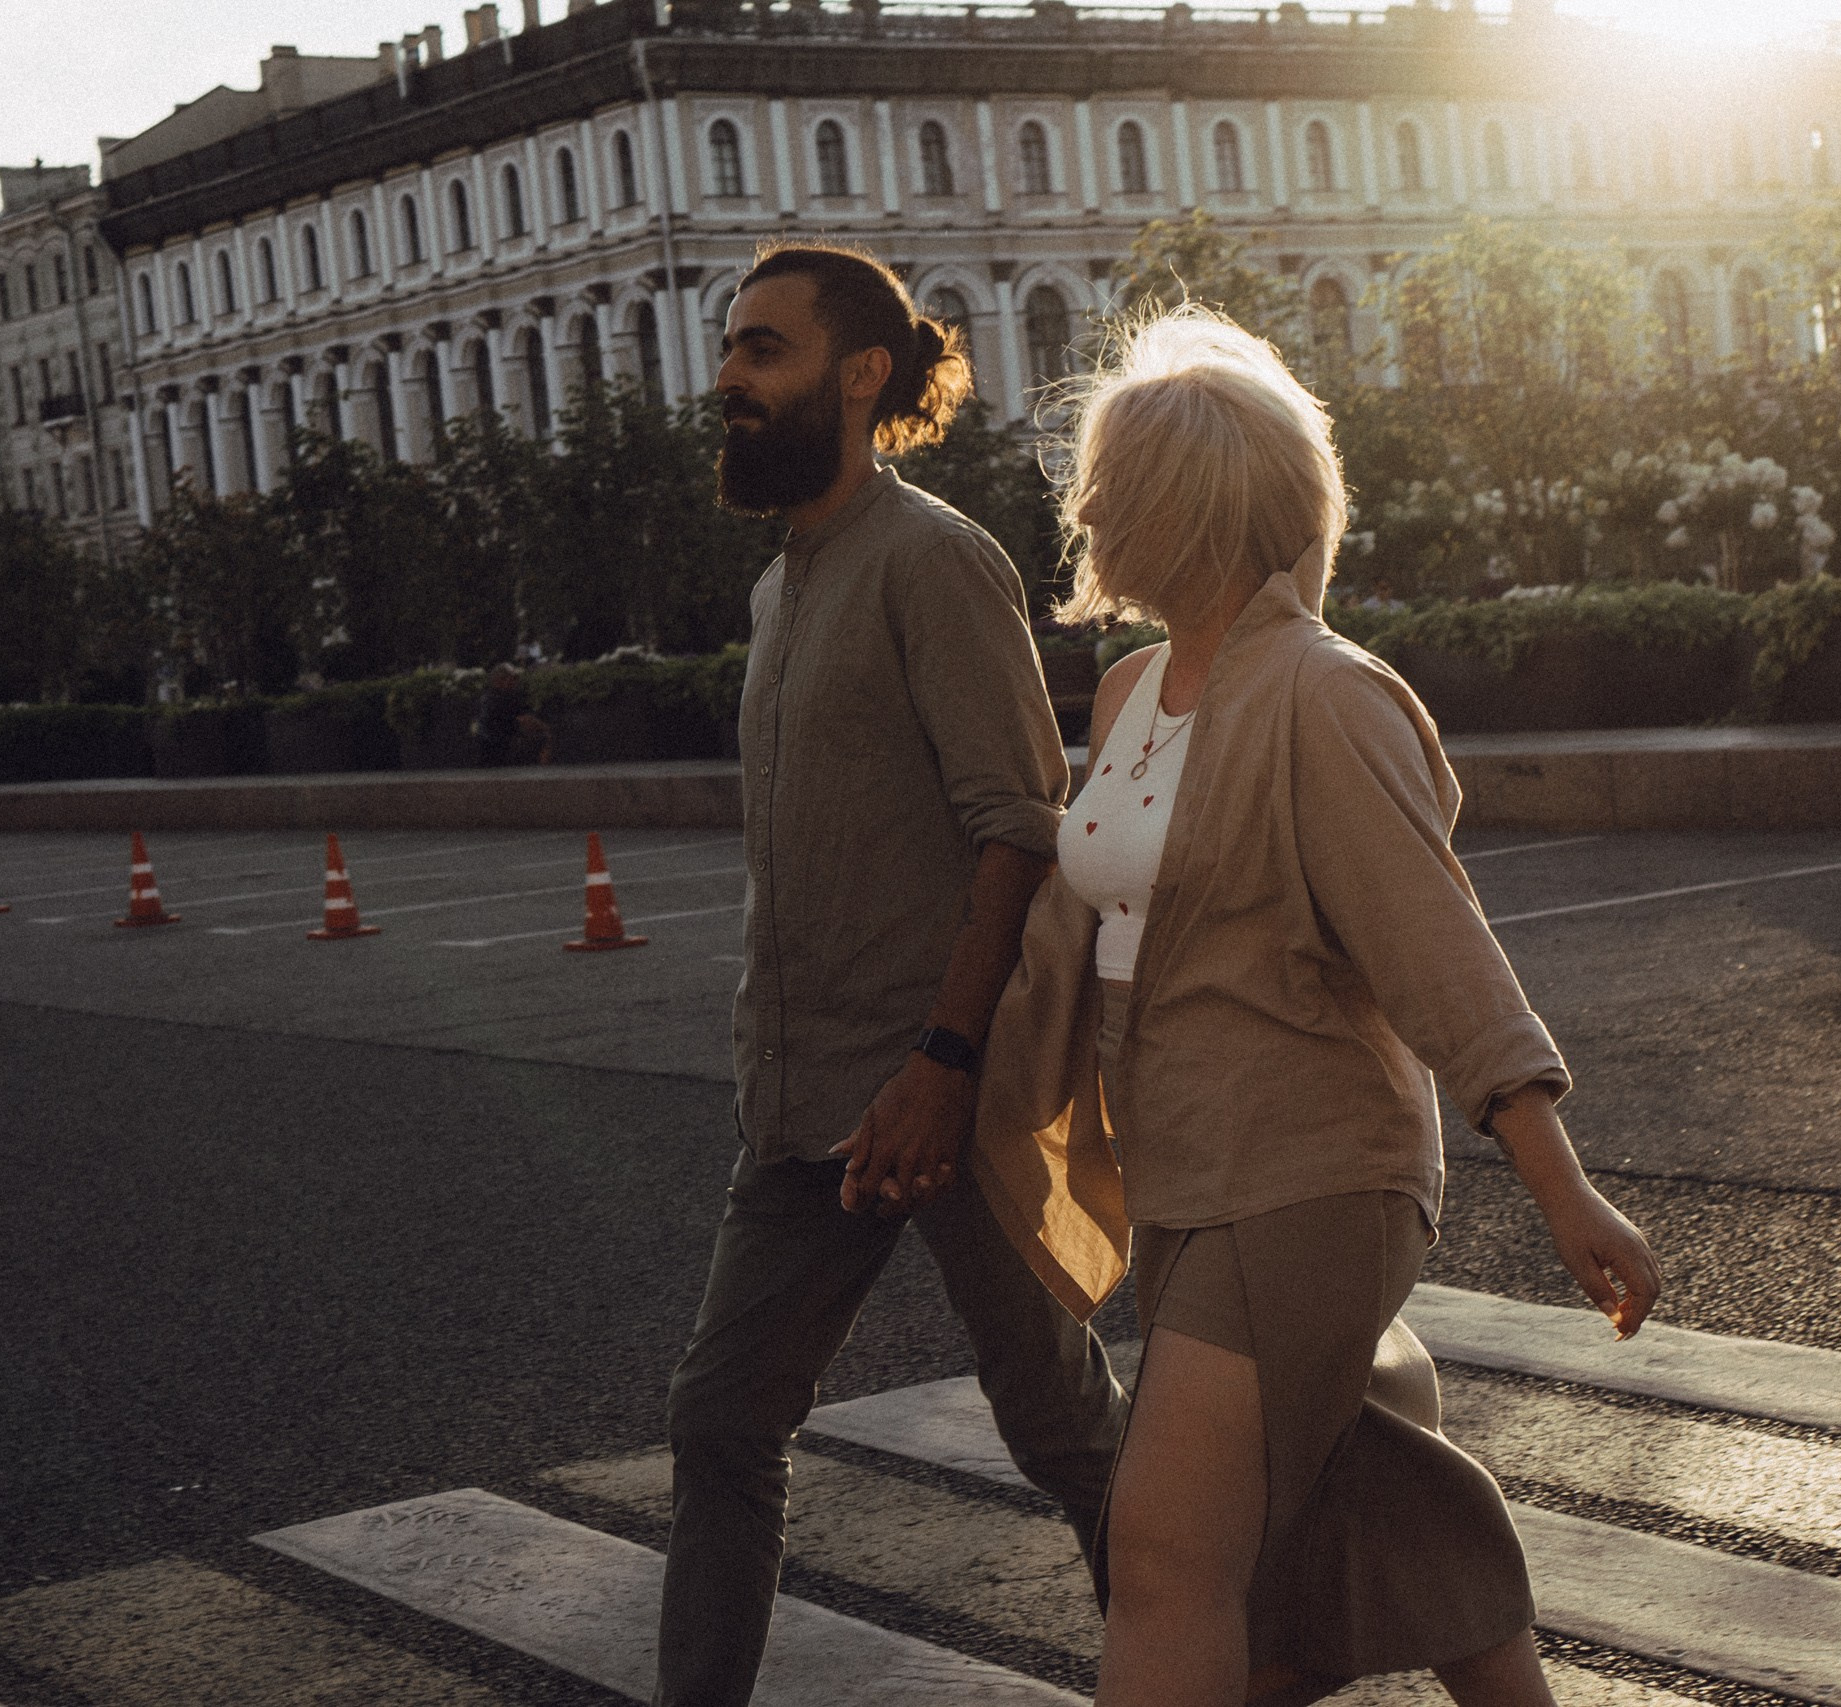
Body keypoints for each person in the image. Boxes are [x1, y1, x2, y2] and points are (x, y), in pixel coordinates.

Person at [968, 306, 1663, 1707]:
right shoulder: (1131, 687)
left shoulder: (1325, 695)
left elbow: (1437, 953)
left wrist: (1565, 1191)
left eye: (1114, 481)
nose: (1086, 506)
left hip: (1307, 1170)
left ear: (1191, 505)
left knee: (1166, 1550)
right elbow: (1092, 923)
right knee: (1341, 1510)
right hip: (1182, 1169)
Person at [655, 242, 1129, 1707]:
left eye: (760, 352)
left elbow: (1019, 829)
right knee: (723, 1424)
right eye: (729, 350)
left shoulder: (932, 559)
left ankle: (1218, 1670)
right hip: (800, 1112)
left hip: (943, 1094)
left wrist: (943, 1065)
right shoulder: (776, 590)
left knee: (1062, 1436)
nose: (725, 380)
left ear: (861, 376)